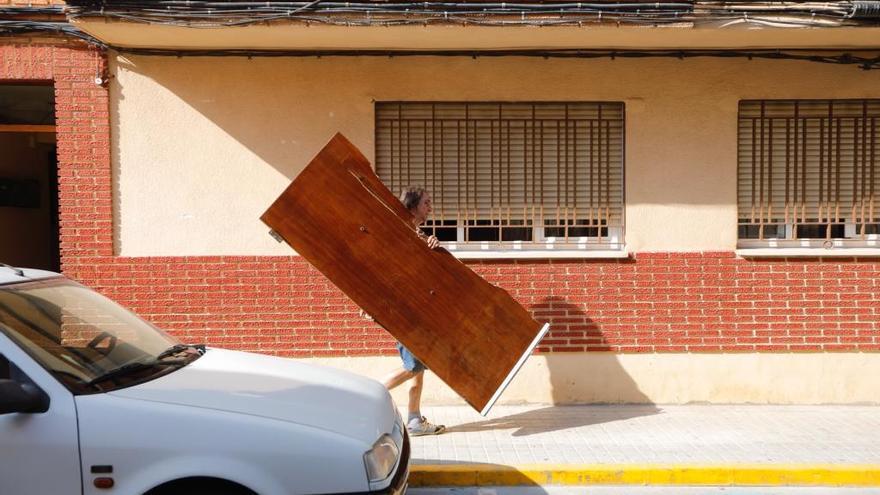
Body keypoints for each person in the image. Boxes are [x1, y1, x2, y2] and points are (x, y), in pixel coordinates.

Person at [381, 186, 445, 436]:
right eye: (426, 203)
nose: (430, 207)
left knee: (420, 367)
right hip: (404, 310)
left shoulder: (418, 234)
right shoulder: (398, 233)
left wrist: (433, 248)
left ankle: (415, 419)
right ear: (413, 206)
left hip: (417, 308)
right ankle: (367, 395)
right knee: (414, 366)